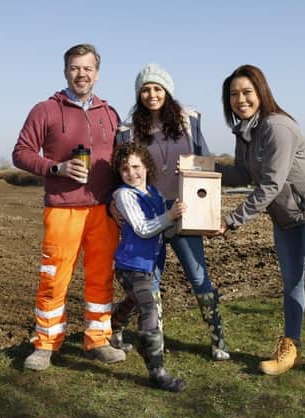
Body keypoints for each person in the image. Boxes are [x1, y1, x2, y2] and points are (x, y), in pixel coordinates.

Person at [213, 64, 305, 389]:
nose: (240, 99)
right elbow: (243, 175)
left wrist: (230, 221)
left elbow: (271, 184)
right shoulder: (244, 133)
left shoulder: (277, 127)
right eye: (234, 94)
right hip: (285, 217)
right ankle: (291, 349)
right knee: (290, 283)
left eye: (246, 92)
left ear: (260, 92)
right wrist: (204, 167)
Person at [12, 43, 125, 370]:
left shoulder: (110, 113)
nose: (82, 74)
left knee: (101, 277)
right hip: (62, 209)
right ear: (65, 71)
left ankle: (98, 339)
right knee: (53, 278)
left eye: (88, 68)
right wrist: (55, 168)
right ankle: (46, 344)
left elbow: (121, 158)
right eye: (75, 68)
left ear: (97, 73)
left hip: (102, 211)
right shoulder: (45, 110)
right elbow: (20, 153)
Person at [111, 63, 230, 361]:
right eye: (146, 89)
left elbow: (206, 163)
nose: (152, 94)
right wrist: (113, 205)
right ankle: (152, 342)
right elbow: (120, 171)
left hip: (184, 209)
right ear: (139, 94)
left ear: (167, 91)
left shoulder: (188, 121)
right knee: (148, 281)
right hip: (148, 212)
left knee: (198, 275)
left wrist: (193, 167)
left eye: (157, 88)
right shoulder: (127, 132)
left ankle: (218, 339)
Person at [111, 143, 187, 392]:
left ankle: (113, 326)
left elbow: (165, 230)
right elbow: (143, 229)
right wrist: (170, 217)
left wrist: (179, 219)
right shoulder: (124, 195)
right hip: (130, 265)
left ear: (146, 167)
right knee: (148, 309)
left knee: (133, 303)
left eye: (136, 166)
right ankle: (157, 372)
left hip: (150, 265)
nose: (131, 173)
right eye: (124, 168)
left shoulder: (153, 193)